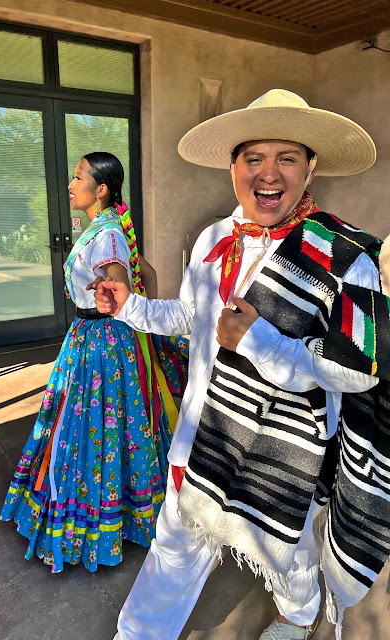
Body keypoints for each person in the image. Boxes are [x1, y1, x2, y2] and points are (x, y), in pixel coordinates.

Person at [94, 90, 390, 639]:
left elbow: (356, 370)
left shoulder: (344, 257)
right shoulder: (213, 240)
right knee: (172, 555)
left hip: (287, 454)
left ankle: (295, 619)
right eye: (254, 157)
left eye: (287, 158)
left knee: (287, 558)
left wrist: (260, 342)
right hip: (201, 441)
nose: (268, 173)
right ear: (233, 168)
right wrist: (131, 306)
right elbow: (191, 318)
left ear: (311, 168)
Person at [0, 152, 183, 573]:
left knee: (96, 427)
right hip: (94, 337)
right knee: (100, 425)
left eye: (78, 177)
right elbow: (149, 274)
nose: (71, 184)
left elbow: (123, 283)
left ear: (100, 190)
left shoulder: (108, 234)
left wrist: (129, 312)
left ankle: (100, 520)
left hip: (103, 343)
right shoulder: (106, 229)